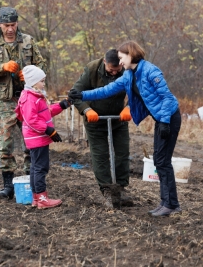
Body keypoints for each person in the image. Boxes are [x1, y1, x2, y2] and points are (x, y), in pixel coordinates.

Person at [68, 40, 182, 217]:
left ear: (130, 55)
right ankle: (167, 202)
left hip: (169, 118)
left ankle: (170, 204)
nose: (120, 63)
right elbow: (106, 90)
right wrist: (82, 95)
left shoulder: (151, 71)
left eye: (122, 58)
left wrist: (166, 121)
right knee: (160, 161)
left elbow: (167, 98)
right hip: (161, 119)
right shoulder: (130, 75)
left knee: (162, 161)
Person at [0, 7, 46, 200]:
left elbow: (42, 65)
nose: (10, 29)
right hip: (5, 101)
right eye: (6, 25)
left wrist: (29, 73)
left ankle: (31, 181)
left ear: (17, 23)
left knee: (30, 142)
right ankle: (8, 185)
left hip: (27, 99)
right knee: (4, 143)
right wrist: (2, 67)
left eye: (13, 25)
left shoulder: (28, 41)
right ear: (0, 24)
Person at [70, 49, 133, 210]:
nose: (114, 72)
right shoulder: (92, 69)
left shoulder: (127, 69)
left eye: (117, 70)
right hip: (95, 120)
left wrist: (129, 108)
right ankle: (106, 189)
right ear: (105, 62)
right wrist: (86, 110)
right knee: (100, 154)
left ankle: (120, 188)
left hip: (119, 118)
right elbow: (75, 94)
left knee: (122, 152)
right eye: (111, 69)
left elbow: (138, 93)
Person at [15, 65, 70, 209]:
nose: (44, 83)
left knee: (35, 167)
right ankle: (42, 198)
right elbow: (31, 119)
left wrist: (64, 105)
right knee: (40, 167)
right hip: (36, 138)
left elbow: (47, 112)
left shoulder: (36, 95)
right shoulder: (29, 98)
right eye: (42, 81)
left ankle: (36, 198)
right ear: (33, 81)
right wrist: (49, 130)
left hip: (38, 137)